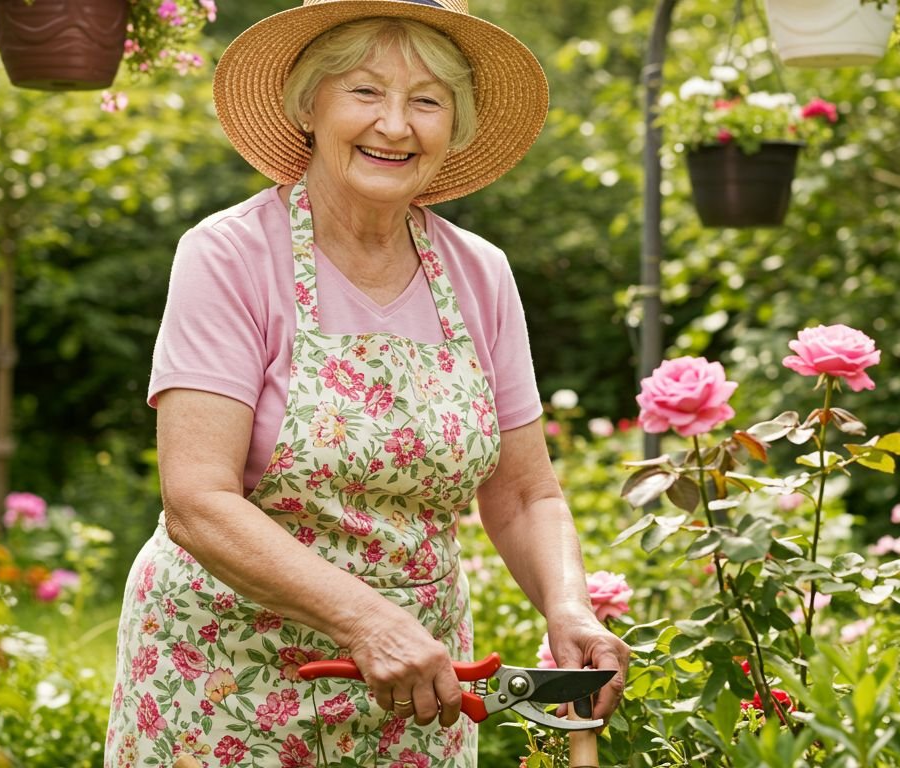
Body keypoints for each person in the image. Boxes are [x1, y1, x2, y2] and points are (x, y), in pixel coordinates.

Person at [105, 1, 630, 766]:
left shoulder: (479, 273)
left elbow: (524, 494)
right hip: (223, 682)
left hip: (422, 690)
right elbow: (198, 501)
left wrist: (568, 607)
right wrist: (366, 622)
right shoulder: (228, 256)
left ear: (456, 126)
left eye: (426, 100)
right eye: (363, 92)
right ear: (307, 107)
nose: (395, 124)